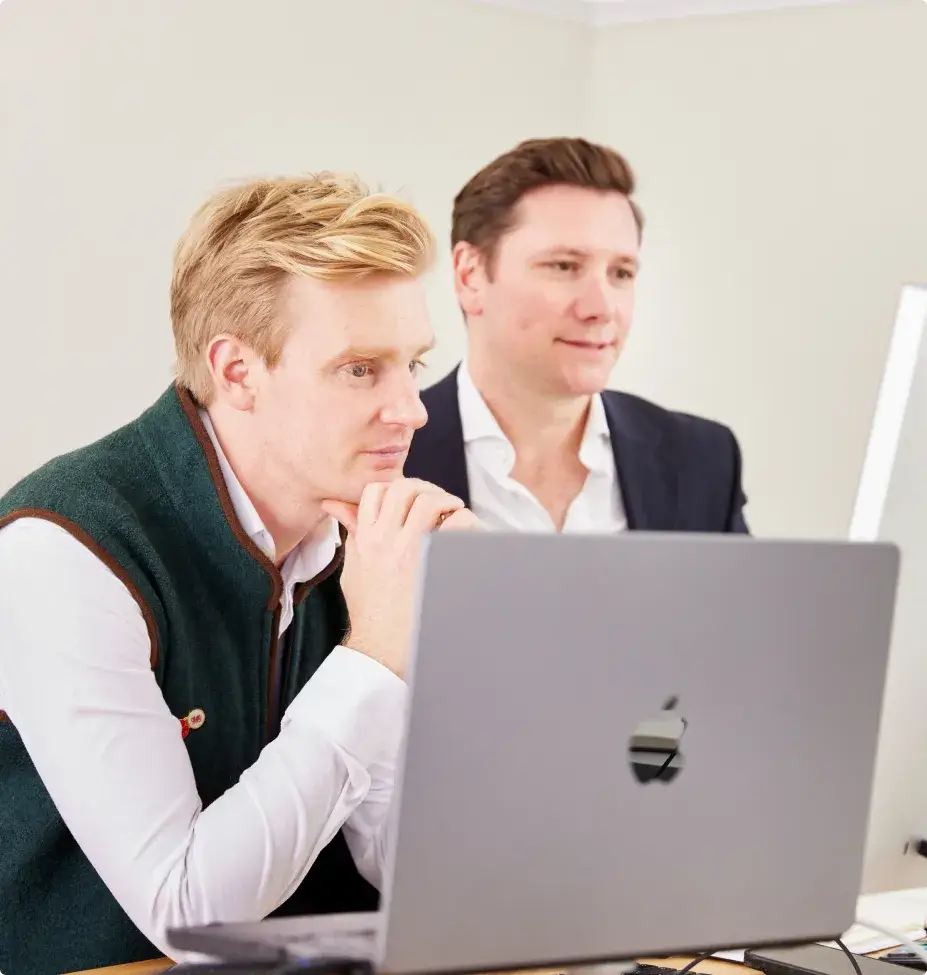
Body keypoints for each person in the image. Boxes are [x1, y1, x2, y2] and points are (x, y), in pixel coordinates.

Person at [0, 173, 475, 974]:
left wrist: (459, 648)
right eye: (361, 369)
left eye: (413, 365)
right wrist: (373, 653)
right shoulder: (64, 549)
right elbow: (187, 914)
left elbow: (424, 876)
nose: (412, 409)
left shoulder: (363, 541)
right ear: (237, 369)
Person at [405, 137, 749, 534]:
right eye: (564, 266)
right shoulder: (384, 458)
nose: (601, 307)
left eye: (621, 273)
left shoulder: (702, 461)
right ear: (471, 276)